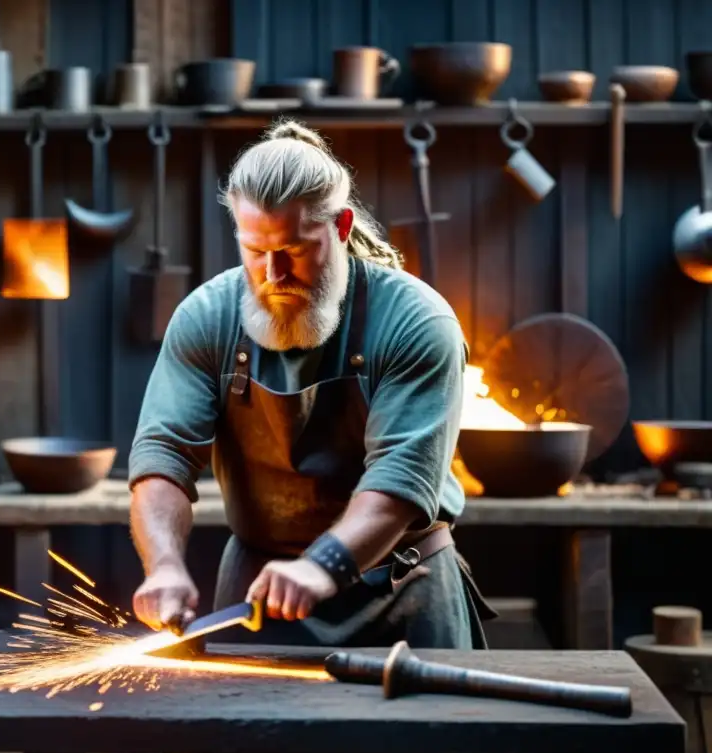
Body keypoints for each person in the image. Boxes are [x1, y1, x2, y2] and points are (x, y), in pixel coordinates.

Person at [127, 119, 494, 652]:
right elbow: (164, 453)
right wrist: (163, 566)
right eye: (255, 251)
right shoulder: (207, 317)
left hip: (402, 590)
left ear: (341, 226)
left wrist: (323, 565)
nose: (273, 274)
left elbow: (399, 482)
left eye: (294, 251)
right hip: (258, 598)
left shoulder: (417, 320)